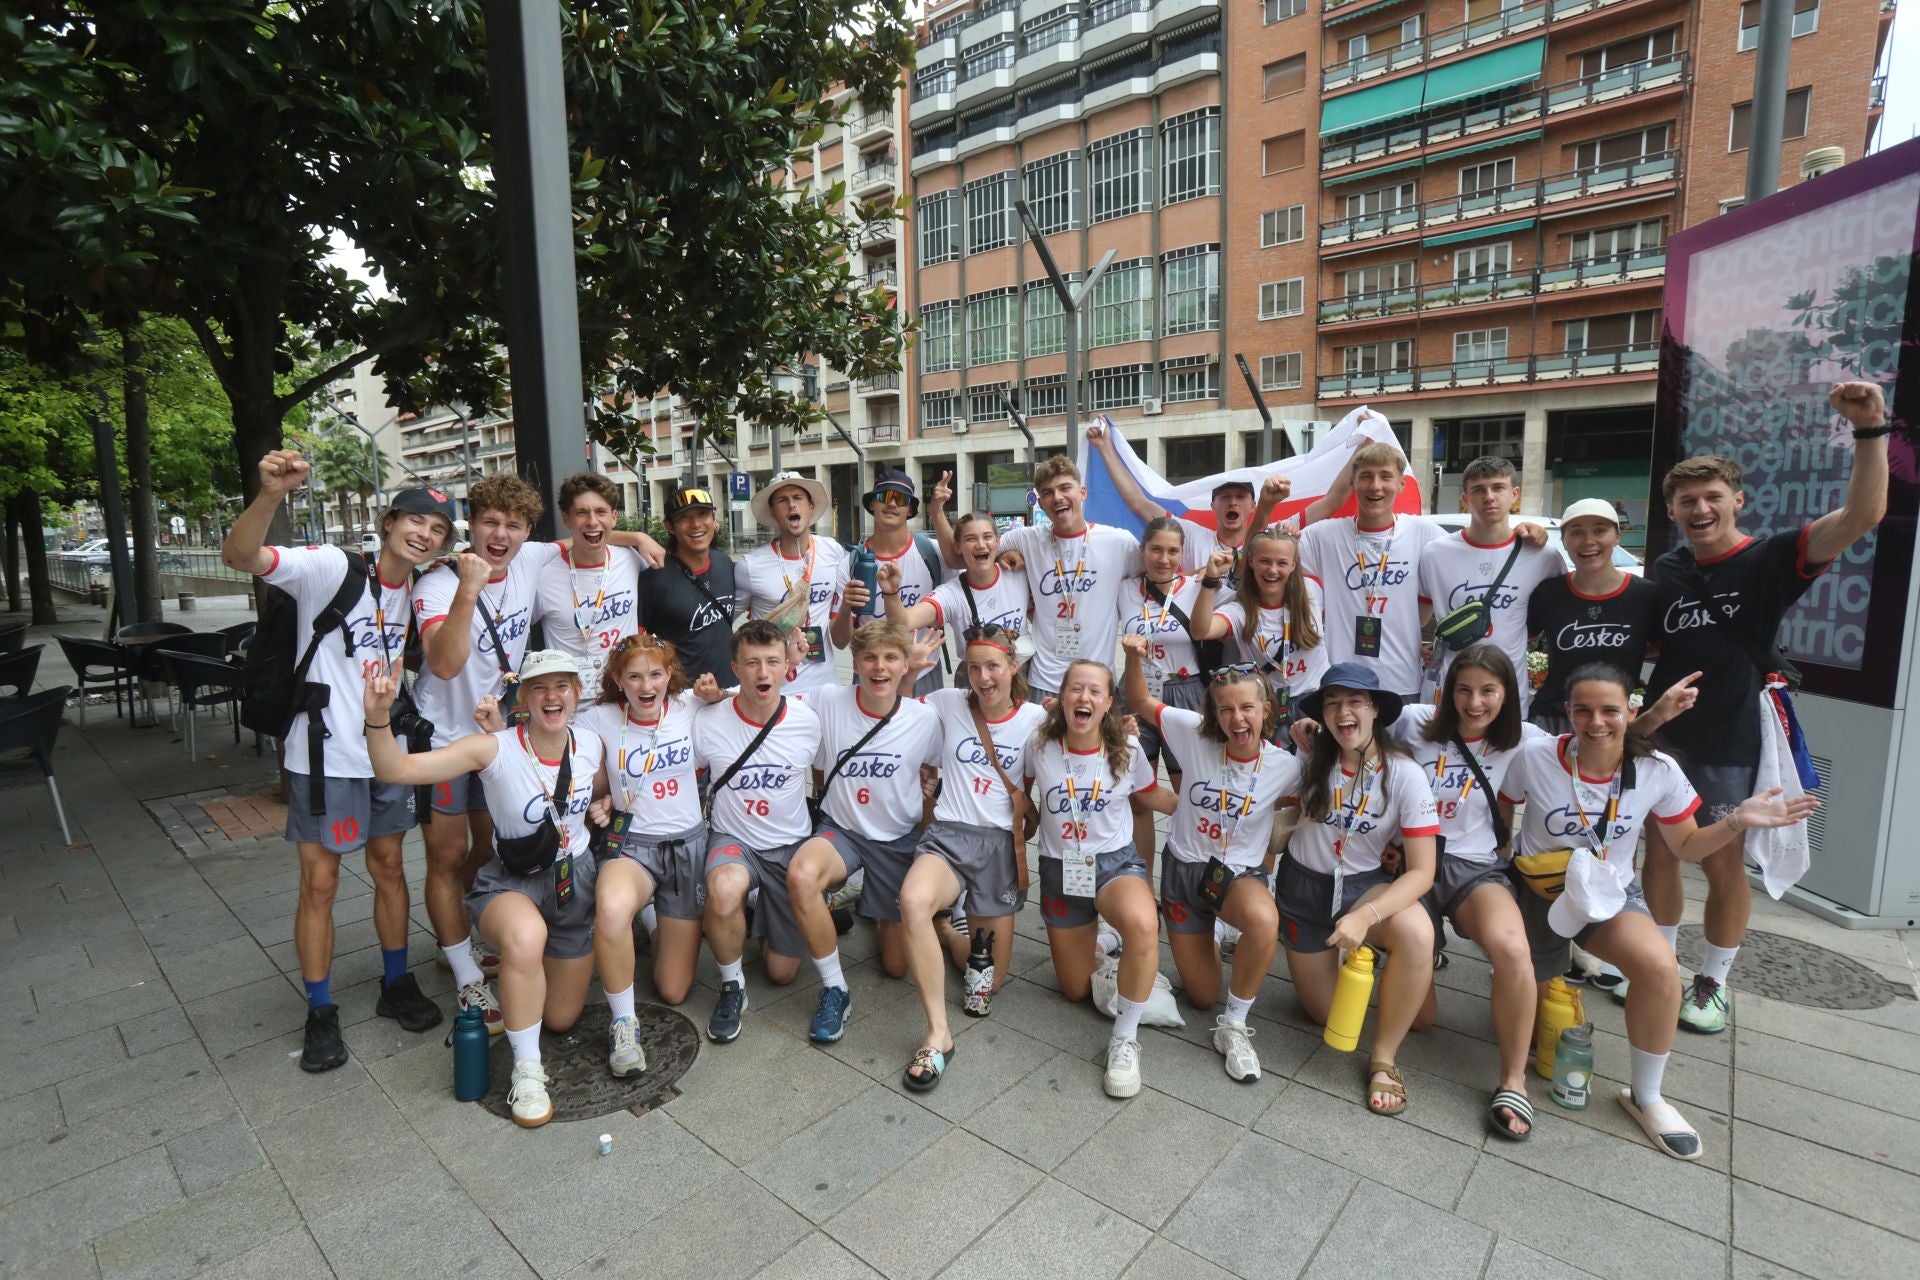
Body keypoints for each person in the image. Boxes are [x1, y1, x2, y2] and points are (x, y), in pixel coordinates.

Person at [1638, 381, 1890, 1034]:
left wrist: (1869, 430)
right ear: (1672, 508)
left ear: (1736, 501)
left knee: (1721, 861)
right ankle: (1661, 967)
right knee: (1659, 857)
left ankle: (1712, 984)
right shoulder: (1667, 569)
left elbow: (1861, 516)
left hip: (1730, 739)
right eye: (1686, 500)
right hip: (1667, 740)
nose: (1699, 509)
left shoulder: (1771, 558)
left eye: (1711, 498)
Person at [1497, 663, 1817, 1159]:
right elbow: (1503, 807)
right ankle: (1524, 1040)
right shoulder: (1535, 756)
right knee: (1528, 1008)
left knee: (1660, 969)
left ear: (1632, 712)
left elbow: (1687, 846)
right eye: (1583, 710)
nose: (1596, 722)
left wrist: (1736, 820)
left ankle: (1646, 1095)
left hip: (1609, 896)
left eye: (1610, 710)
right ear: (1568, 712)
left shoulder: (1657, 770)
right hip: (1538, 891)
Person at [220, 454, 454, 1070]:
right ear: (389, 520)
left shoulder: (422, 590)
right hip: (321, 754)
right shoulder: (330, 567)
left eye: (437, 530)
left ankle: (395, 983)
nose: (424, 534)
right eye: (416, 520)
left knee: (389, 869)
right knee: (320, 882)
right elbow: (242, 557)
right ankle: (320, 1008)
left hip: (386, 754)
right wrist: (270, 495)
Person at [363, 651, 614, 1128]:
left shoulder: (590, 743)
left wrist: (602, 802)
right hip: (514, 880)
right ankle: (527, 1069)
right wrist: (377, 720)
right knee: (525, 939)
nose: (551, 696)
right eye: (539, 687)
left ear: (576, 694)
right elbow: (396, 770)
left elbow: (601, 787)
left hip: (573, 878)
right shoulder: (493, 748)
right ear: (523, 698)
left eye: (562, 686)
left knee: (561, 1018)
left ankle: (523, 984)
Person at [412, 475, 565, 1034]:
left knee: (491, 847)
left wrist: (637, 540)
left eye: (514, 525)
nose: (500, 535)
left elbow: (588, 536)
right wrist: (468, 590)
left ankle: (463, 932)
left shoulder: (533, 558)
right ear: (470, 525)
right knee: (446, 857)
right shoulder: (435, 584)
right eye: (490, 522)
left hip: (498, 734)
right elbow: (446, 663)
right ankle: (463, 974)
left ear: (527, 531)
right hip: (444, 737)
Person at [1120, 636, 1299, 1082]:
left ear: (1267, 711)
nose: (1237, 718)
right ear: (1213, 714)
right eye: (1226, 709)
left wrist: (1312, 739)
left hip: (1238, 875)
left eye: (1247, 708)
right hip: (1184, 871)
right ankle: (1212, 935)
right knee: (1201, 996)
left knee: (1263, 920)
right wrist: (1132, 657)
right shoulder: (1191, 731)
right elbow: (1140, 699)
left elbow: (1319, 799)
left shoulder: (1287, 766)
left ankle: (1235, 1026)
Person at [1396, 645, 1552, 1138]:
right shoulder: (1415, 722)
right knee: (1420, 1020)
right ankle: (1426, 955)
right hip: (1412, 861)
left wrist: (1650, 717)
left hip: (1475, 865)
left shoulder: (1524, 740)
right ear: (1446, 692)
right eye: (1463, 690)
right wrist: (1307, 730)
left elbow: (1599, 739)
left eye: (1488, 691)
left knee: (1512, 948)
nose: (1475, 702)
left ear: (1508, 693)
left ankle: (1513, 1081)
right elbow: (1353, 723)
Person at [1278, 663, 1439, 1114]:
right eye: (1332, 704)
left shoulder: (1405, 773)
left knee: (1421, 993)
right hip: (1304, 890)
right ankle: (1364, 965)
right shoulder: (1308, 755)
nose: (1343, 712)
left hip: (1364, 889)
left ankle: (1385, 1059)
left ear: (1375, 710)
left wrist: (1366, 917)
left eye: (1355, 702)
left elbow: (1423, 871)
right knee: (1326, 1015)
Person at [898, 624, 1049, 1089]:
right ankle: (938, 1033)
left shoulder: (1037, 721)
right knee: (912, 901)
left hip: (999, 847)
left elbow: (1080, 755)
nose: (982, 677)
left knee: (988, 980)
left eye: (993, 666)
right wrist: (909, 674)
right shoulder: (948, 702)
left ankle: (947, 928)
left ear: (1013, 667)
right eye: (974, 667)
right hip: (948, 837)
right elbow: (898, 713)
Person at [783, 621, 941, 1044]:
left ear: (906, 665)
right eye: (870, 657)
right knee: (801, 876)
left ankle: (876, 906)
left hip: (897, 839)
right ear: (853, 662)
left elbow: (961, 757)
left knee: (894, 967)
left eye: (891, 658)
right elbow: (766, 702)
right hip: (843, 830)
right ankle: (835, 988)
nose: (879, 667)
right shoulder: (829, 699)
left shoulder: (924, 717)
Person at [1029, 659, 1172, 1097]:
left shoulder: (1126, 749)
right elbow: (1013, 784)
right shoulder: (1038, 743)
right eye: (1076, 689)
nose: (1084, 698)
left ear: (1109, 702)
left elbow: (1153, 796)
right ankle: (1106, 945)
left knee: (1144, 923)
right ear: (1061, 697)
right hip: (1060, 870)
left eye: (1095, 691)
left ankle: (1125, 1040)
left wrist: (1208, 804)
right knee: (1074, 989)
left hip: (1114, 866)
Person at [574, 634, 721, 1058]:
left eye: (655, 674)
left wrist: (719, 693)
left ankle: (654, 916)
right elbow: (574, 764)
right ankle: (624, 1023)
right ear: (618, 679)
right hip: (632, 845)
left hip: (687, 846)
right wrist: (598, 798)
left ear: (669, 675)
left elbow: (742, 703)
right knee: (612, 907)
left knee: (674, 990)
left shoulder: (690, 704)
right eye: (634, 676)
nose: (646, 686)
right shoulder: (599, 718)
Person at [696, 620, 825, 1042]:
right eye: (752, 663)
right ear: (735, 667)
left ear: (790, 666)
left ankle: (759, 910)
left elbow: (827, 777)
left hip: (789, 846)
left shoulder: (807, 720)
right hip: (734, 840)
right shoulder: (708, 718)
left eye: (773, 661)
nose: (763, 673)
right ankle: (732, 985)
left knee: (782, 972)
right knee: (724, 890)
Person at [1296, 442, 1444, 703]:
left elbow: (1469, 563)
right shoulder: (1324, 536)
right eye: (1366, 476)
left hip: (1402, 682)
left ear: (1401, 484)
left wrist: (1522, 536)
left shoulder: (1424, 534)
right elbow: (1261, 551)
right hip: (1340, 681)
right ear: (1352, 483)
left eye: (1386, 476)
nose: (1375, 486)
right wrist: (1268, 505)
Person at [1416, 456, 1560, 709]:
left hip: (1508, 691)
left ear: (1514, 494)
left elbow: (1558, 615)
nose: (1489, 497)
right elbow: (1419, 616)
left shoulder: (1543, 556)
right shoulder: (1435, 553)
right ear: (1465, 498)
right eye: (1479, 490)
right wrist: (1418, 647)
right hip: (1446, 687)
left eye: (1498, 488)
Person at [996, 457, 1141, 700]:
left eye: (1065, 488)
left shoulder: (1120, 542)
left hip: (1096, 682)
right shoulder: (1025, 539)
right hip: (1044, 681)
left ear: (1082, 492)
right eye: (1048, 492)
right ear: (1040, 502)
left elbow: (1161, 574)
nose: (1058, 497)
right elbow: (975, 551)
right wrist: (1003, 554)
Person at [1085, 421, 1292, 591]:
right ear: (1212, 505)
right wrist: (1105, 448)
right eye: (1225, 497)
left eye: (1240, 496)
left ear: (1253, 505)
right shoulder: (1191, 534)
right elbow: (1138, 503)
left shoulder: (1273, 539)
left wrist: (1272, 507)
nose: (1233, 502)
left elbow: (1320, 508)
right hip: (1199, 635)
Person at [1525, 499, 1661, 736]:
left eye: (1600, 530)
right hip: (1553, 720)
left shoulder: (1646, 595)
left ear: (1617, 536)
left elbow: (1660, 651)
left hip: (1610, 723)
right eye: (1576, 532)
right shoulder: (1548, 593)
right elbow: (1514, 638)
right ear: (1564, 541)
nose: (1588, 541)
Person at [1193, 525, 1328, 738]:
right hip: (1269, 706)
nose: (1272, 570)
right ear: (1251, 561)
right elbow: (1201, 631)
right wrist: (1210, 580)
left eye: (1282, 562)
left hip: (1315, 701)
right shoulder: (1239, 611)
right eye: (1265, 561)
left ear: (1294, 565)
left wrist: (1286, 535)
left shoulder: (1312, 590)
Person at [736, 471, 849, 694]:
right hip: (776, 690)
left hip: (826, 687)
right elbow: (729, 628)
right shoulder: (750, 566)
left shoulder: (833, 552)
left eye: (798, 498)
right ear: (773, 512)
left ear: (811, 507)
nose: (791, 505)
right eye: (782, 500)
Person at [533, 473, 648, 693]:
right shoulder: (543, 575)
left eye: (601, 512)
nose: (592, 521)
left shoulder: (632, 559)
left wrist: (641, 538)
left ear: (614, 517)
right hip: (568, 703)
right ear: (566, 519)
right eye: (582, 513)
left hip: (625, 696)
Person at [845, 470, 949, 695]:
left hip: (924, 669)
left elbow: (969, 560)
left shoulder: (932, 552)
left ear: (910, 509)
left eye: (901, 499)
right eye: (884, 496)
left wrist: (1012, 554)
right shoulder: (851, 562)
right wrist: (845, 607)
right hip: (872, 670)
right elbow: (840, 639)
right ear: (872, 503)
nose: (892, 503)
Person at [883, 509, 1030, 659]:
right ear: (957, 547)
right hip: (980, 680)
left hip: (1024, 677)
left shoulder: (1019, 572)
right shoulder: (952, 594)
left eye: (987, 537)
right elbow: (903, 623)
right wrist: (890, 592)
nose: (980, 545)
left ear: (998, 541)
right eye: (971, 539)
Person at [635, 483, 739, 687]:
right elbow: (636, 647)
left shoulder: (724, 563)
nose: (696, 524)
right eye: (684, 517)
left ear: (713, 519)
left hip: (730, 691)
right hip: (683, 698)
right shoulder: (654, 580)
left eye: (703, 514)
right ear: (669, 526)